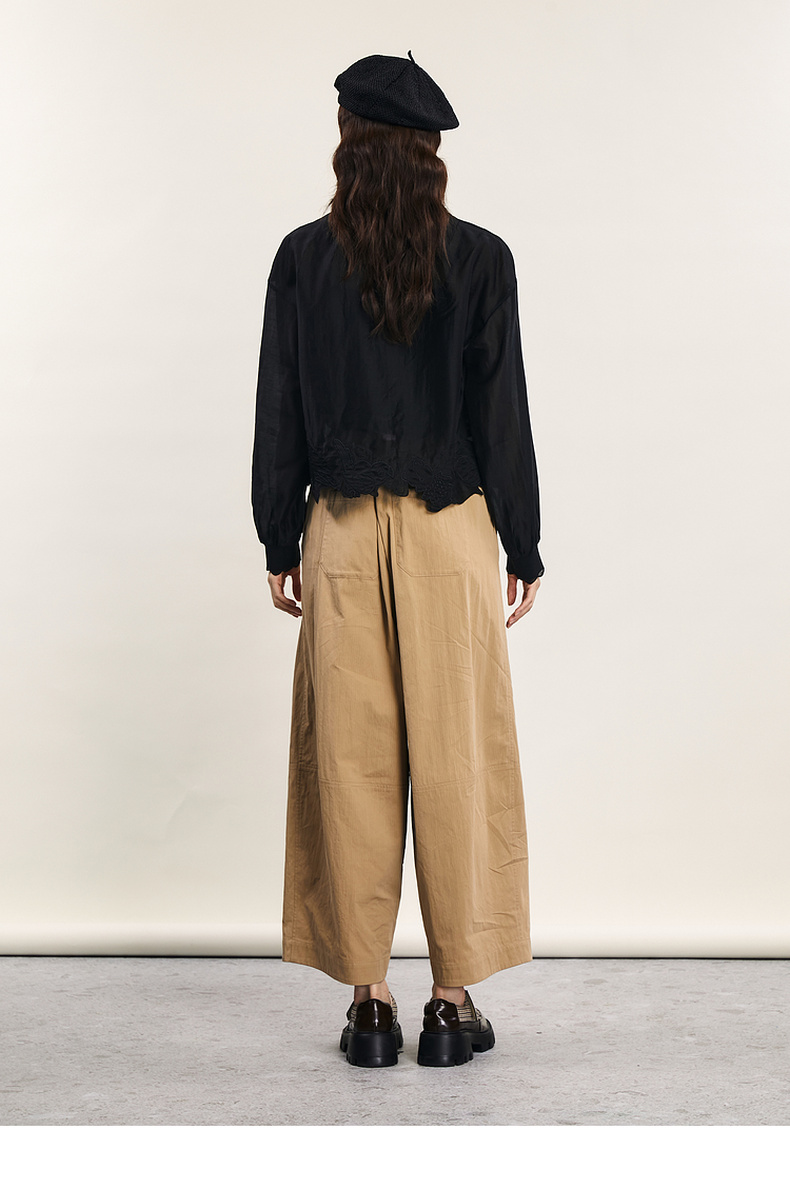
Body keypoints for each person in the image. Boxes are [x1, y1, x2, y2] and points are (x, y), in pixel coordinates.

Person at [251, 50, 544, 1068]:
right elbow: (499, 414)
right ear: (429, 151)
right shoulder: (480, 259)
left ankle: (369, 1002)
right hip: (451, 531)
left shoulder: (302, 258)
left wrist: (277, 534)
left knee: (351, 760)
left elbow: (279, 404)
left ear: (348, 142)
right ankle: (450, 1004)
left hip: (337, 527)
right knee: (457, 757)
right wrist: (523, 539)